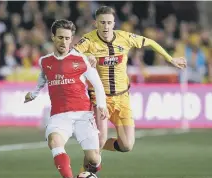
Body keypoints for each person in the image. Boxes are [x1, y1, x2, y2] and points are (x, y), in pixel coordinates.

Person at [73, 6, 187, 166]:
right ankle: (85, 176)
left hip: (122, 98)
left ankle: (90, 143)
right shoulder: (88, 41)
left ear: (114, 23)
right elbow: (72, 56)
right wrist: (86, 57)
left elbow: (151, 42)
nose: (106, 26)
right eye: (102, 22)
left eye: (109, 22)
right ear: (95, 23)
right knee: (100, 139)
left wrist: (170, 59)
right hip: (99, 98)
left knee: (126, 145)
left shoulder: (124, 37)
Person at [24, 19, 108, 178]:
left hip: (83, 115)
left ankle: (93, 169)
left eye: (68, 38)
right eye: (60, 37)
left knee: (93, 158)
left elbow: (98, 84)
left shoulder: (82, 60)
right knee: (54, 140)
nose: (64, 42)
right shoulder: (45, 62)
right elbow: (41, 80)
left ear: (72, 39)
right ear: (53, 37)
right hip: (59, 116)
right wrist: (33, 94)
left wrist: (101, 106)